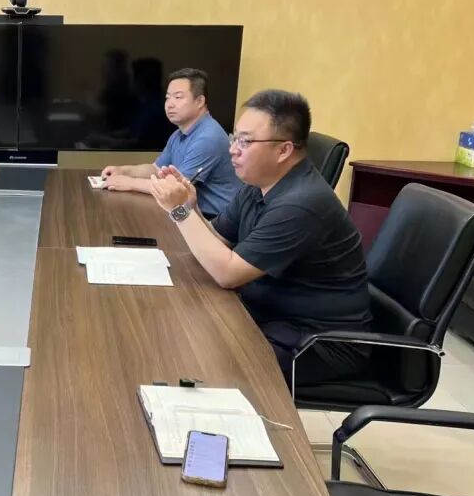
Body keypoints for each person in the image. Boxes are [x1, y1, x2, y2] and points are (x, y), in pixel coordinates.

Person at [147, 89, 371, 386]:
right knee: (174, 325)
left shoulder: (301, 204)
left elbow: (228, 273)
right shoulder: (259, 184)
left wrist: (179, 212)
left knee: (195, 356)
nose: (233, 150)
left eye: (245, 142)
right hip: (271, 317)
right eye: (234, 138)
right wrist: (191, 207)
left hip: (317, 343)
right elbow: (219, 240)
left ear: (284, 150)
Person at [101, 68, 241, 218]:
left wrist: (128, 183)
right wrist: (123, 171)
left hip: (214, 219)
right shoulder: (179, 133)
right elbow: (156, 169)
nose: (169, 104)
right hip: (188, 210)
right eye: (168, 98)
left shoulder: (208, 137)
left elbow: (174, 189)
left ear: (200, 101)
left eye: (178, 97)